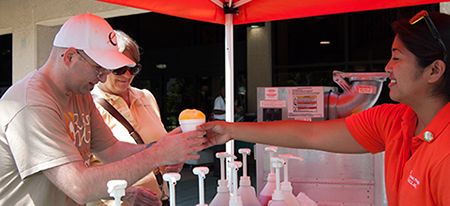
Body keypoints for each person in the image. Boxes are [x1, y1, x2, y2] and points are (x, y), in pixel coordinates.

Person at [199, 10, 450, 206]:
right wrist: (229, 130)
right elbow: (310, 134)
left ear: (434, 70)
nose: (387, 67)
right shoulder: (395, 120)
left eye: (396, 57)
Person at [0, 13, 209, 206]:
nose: (102, 77)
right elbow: (78, 186)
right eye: (99, 68)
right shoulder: (32, 103)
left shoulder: (79, 94)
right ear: (69, 56)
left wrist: (162, 146)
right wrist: (157, 154)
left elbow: (111, 150)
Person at [88, 30, 173, 206]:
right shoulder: (87, 106)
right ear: (102, 65)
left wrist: (172, 161)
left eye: (133, 68)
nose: (127, 75)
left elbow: (159, 143)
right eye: (119, 68)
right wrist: (122, 193)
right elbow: (79, 177)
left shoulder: (146, 96)